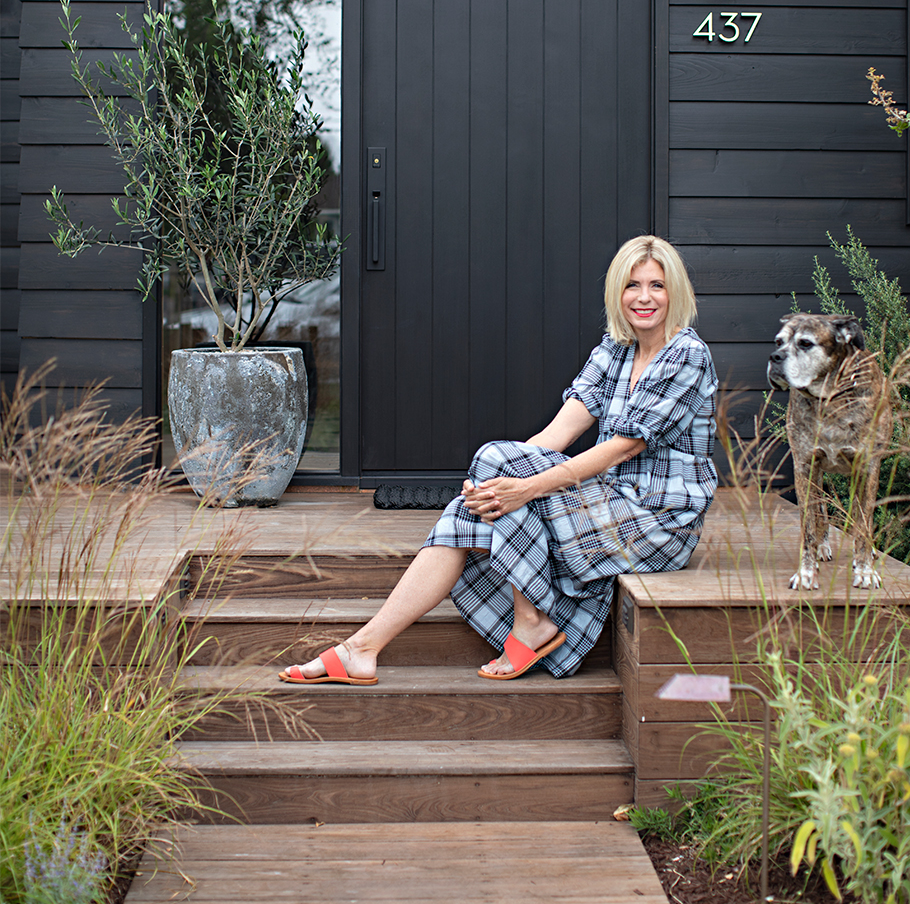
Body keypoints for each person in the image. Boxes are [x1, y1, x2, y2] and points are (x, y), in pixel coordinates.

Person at [278, 235, 718, 685]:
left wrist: (522, 484)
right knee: (475, 500)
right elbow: (557, 435)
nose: (644, 297)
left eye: (657, 286)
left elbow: (625, 446)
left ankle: (524, 624)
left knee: (501, 478)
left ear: (674, 292)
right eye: (632, 285)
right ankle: (362, 648)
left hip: (660, 520)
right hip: (607, 501)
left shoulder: (686, 354)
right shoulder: (615, 349)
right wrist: (499, 479)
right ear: (616, 293)